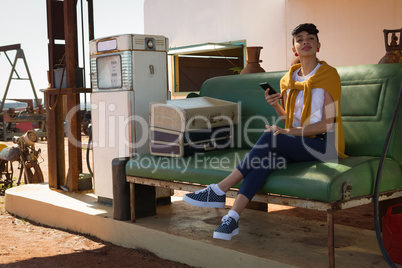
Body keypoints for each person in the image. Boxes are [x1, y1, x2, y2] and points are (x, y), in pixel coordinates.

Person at [183, 23, 347, 240]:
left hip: (324, 145)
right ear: (294, 49)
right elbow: (289, 119)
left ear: (318, 45)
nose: (305, 42)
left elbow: (326, 124)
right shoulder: (288, 80)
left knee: (273, 136)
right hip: (299, 143)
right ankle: (232, 218)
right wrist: (276, 106)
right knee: (265, 159)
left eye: (310, 38)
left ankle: (219, 189)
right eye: (300, 39)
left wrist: (287, 132)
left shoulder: (328, 75)